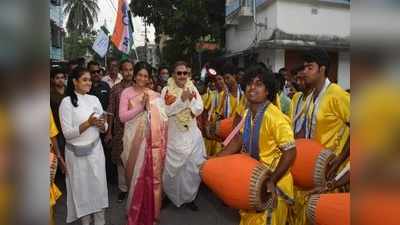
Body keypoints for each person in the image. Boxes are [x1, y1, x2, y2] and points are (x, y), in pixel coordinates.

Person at [217, 64, 296, 225]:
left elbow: (290, 153)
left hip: (273, 185)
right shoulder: (247, 113)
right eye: (249, 83)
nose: (252, 87)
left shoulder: (275, 118)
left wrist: (271, 181)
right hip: (254, 182)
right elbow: (238, 140)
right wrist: (216, 160)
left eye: (259, 84)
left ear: (267, 91)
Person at [119, 61, 168, 225]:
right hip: (132, 140)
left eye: (145, 76)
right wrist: (141, 106)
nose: (142, 78)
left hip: (150, 143)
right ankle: (134, 213)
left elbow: (163, 120)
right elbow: (122, 117)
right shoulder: (126, 92)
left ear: (149, 78)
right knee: (133, 177)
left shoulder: (155, 95)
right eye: (139, 74)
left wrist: (152, 109)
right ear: (135, 75)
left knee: (149, 179)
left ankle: (149, 213)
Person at [59, 67, 109, 225]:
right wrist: (88, 123)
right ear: (74, 82)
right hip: (76, 155)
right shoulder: (66, 103)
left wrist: (102, 125)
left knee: (99, 190)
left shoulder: (94, 99)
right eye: (85, 80)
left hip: (95, 151)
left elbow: (105, 127)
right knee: (82, 192)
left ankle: (100, 222)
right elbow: (67, 134)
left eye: (89, 80)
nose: (89, 82)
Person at [161, 61, 206, 211]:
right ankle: (170, 196)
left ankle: (189, 198)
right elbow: (166, 112)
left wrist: (189, 105)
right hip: (174, 136)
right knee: (171, 171)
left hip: (192, 134)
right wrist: (183, 100)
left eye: (184, 73)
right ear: (173, 74)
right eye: (178, 73)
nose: (182, 76)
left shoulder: (192, 88)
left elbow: (199, 106)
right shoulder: (166, 90)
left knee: (191, 169)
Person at [105, 59, 134, 202]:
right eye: (126, 70)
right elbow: (110, 111)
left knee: (135, 159)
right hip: (120, 129)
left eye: (131, 69)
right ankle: (123, 189)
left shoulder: (139, 87)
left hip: (136, 130)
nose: (128, 72)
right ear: (121, 72)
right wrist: (109, 131)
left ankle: (135, 188)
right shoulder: (115, 89)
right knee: (121, 160)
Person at [50, 67, 67, 159]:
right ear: (52, 79)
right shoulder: (49, 93)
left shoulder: (70, 91)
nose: (60, 80)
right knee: (60, 153)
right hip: (57, 128)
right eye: (57, 78)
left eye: (62, 77)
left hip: (69, 126)